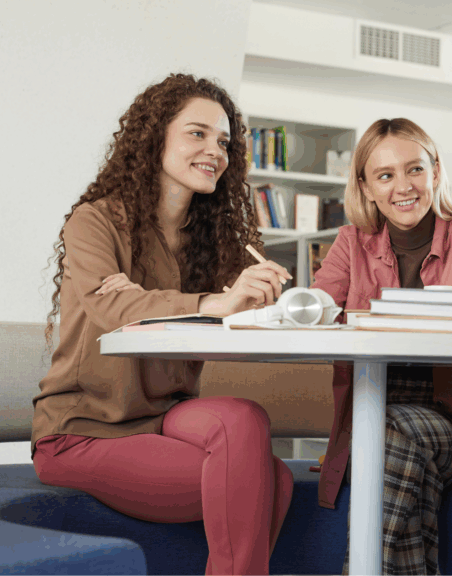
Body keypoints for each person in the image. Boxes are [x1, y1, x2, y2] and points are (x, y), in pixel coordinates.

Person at [33, 73, 295, 575]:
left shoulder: (213, 243)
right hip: (85, 429)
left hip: (163, 418)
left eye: (223, 141)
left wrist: (261, 305)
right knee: (270, 483)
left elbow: (198, 314)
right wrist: (212, 303)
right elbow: (114, 311)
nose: (214, 150)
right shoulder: (96, 221)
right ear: (155, 139)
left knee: (245, 420)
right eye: (196, 133)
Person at [310, 117, 452, 575]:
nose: (404, 186)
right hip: (372, 425)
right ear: (365, 187)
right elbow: (323, 299)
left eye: (415, 169)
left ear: (435, 172)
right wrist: (303, 304)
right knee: (394, 448)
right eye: (385, 175)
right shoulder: (350, 241)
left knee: (389, 433)